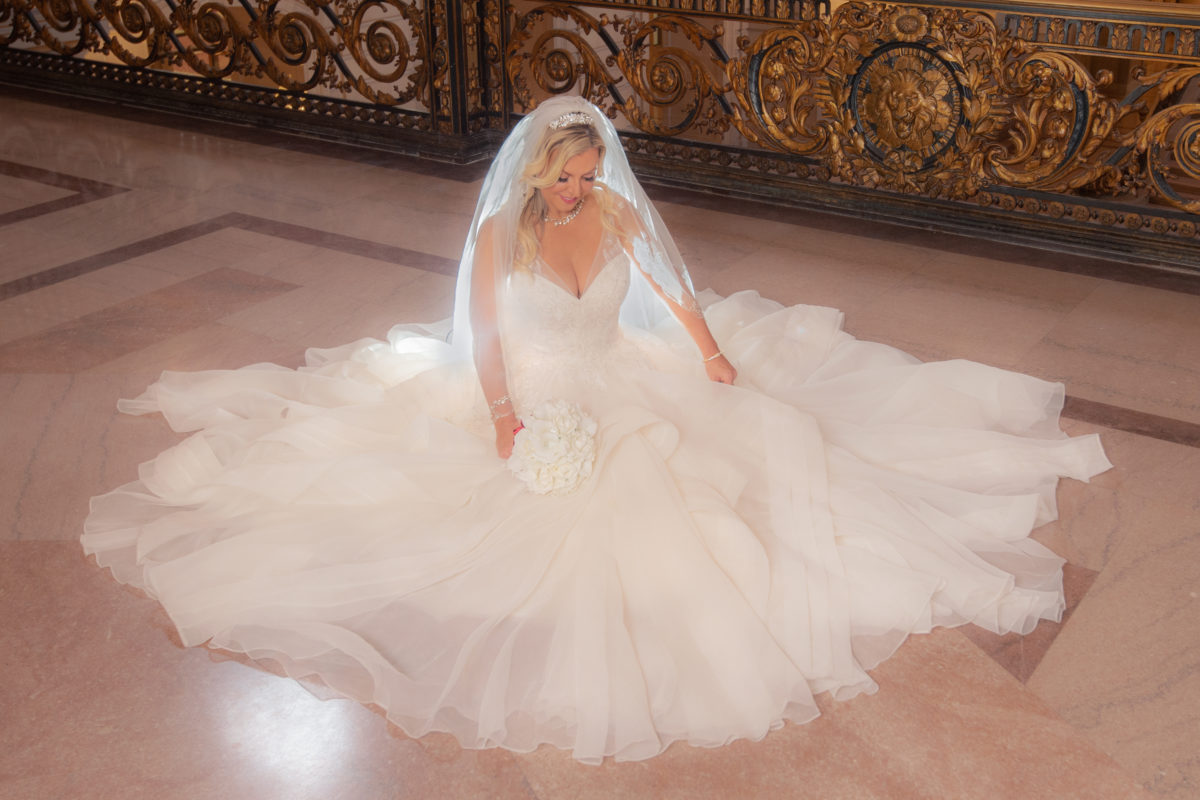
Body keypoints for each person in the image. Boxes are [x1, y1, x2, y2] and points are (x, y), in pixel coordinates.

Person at [83, 96, 1112, 764]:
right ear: (535, 166)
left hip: (622, 377)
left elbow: (669, 286)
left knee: (739, 470)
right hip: (527, 384)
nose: (578, 189)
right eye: (564, 174)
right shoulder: (498, 231)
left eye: (588, 173)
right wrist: (501, 413)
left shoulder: (615, 215)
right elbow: (483, 334)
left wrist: (707, 349)